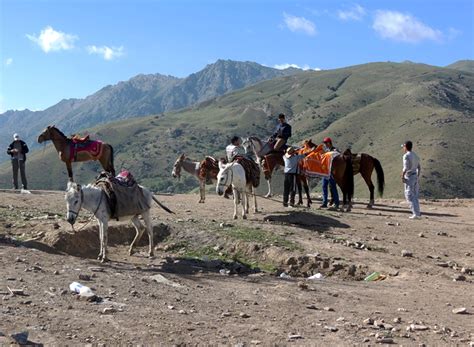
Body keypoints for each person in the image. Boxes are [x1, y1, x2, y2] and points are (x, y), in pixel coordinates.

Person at [401, 140, 421, 219]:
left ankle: (415, 214)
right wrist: (417, 176)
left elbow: (405, 168)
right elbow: (419, 167)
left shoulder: (406, 156)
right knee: (415, 195)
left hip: (409, 176)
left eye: (403, 146)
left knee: (409, 195)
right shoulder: (415, 155)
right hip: (415, 176)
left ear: (405, 146)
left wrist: (402, 176)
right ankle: (418, 213)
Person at [320, 137, 339, 209]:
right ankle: (324, 203)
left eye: (325, 143)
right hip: (325, 172)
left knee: (333, 187)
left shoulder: (335, 150)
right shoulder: (326, 151)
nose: (324, 145)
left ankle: (336, 203)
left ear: (328, 143)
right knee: (324, 187)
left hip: (331, 172)